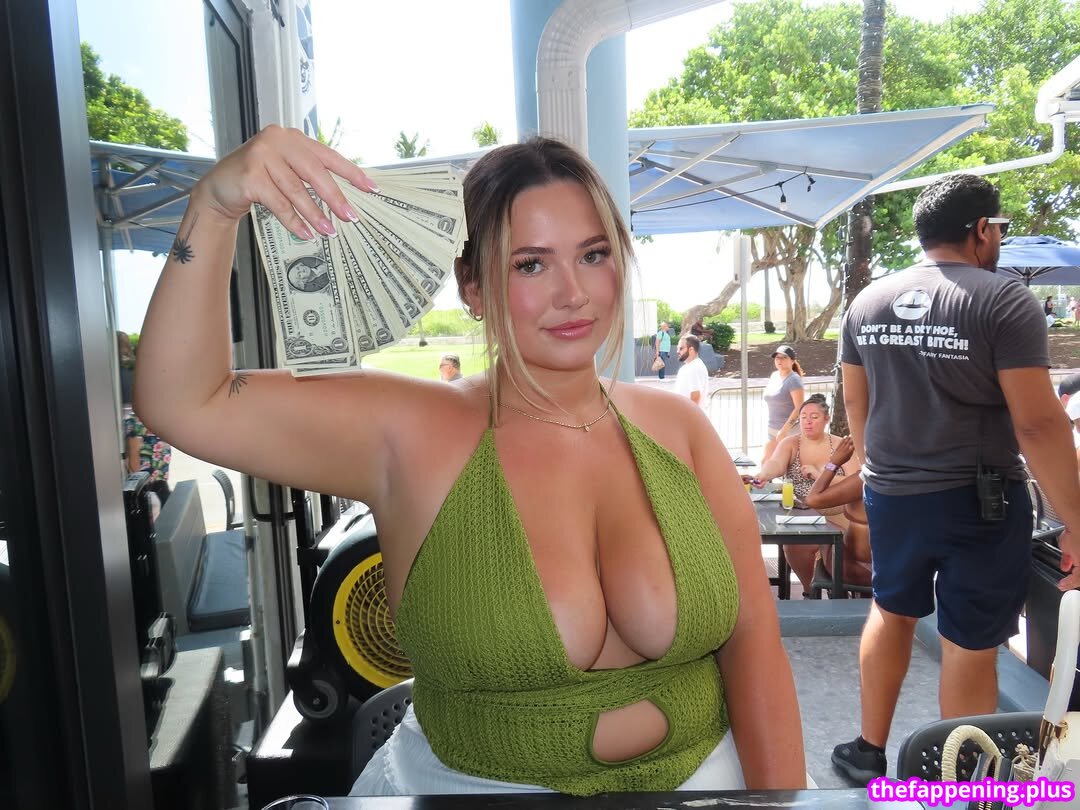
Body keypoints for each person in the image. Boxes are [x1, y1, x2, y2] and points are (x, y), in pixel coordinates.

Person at [133, 129, 805, 795]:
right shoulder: (412, 431)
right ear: (474, 287)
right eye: (531, 264)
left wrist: (785, 801)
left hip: (707, 783)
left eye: (593, 254)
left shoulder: (680, 429)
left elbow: (752, 642)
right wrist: (214, 207)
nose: (573, 292)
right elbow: (184, 400)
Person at [834, 173, 1080, 786]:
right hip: (980, 501)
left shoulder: (868, 301)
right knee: (969, 641)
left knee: (891, 610)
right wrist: (1078, 521)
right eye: (1000, 228)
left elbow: (856, 403)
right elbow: (1038, 424)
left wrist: (878, 471)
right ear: (981, 230)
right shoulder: (1003, 300)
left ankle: (867, 750)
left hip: (892, 495)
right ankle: (959, 780)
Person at [746, 394, 859, 593]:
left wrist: (820, 475)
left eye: (814, 417)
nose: (808, 422)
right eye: (803, 417)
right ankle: (810, 591)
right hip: (801, 512)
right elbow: (776, 464)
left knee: (849, 544)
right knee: (794, 546)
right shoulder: (790, 443)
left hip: (838, 511)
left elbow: (855, 481)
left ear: (826, 419)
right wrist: (763, 475)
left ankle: (840, 590)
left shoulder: (841, 445)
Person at [800, 436, 872, 593]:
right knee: (835, 530)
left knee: (824, 537)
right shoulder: (916, 477)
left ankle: (813, 592)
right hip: (901, 567)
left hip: (860, 570)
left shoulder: (868, 478)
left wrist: (834, 462)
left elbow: (813, 499)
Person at [117, 331, 172, 507]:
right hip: (158, 463)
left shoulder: (116, 374)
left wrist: (134, 490)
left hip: (146, 475)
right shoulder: (141, 372)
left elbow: (134, 451)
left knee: (149, 502)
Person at [760, 345, 805, 464]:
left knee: (788, 465)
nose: (779, 360)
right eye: (777, 357)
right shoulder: (774, 376)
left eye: (784, 357)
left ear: (792, 360)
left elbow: (799, 408)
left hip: (790, 431)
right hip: (772, 428)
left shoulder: (794, 380)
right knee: (766, 462)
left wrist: (784, 430)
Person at [673, 334, 709, 408]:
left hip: (688, 414)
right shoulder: (691, 366)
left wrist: (688, 415)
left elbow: (695, 395)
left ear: (691, 349)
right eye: (677, 348)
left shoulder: (694, 367)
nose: (677, 351)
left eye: (681, 348)